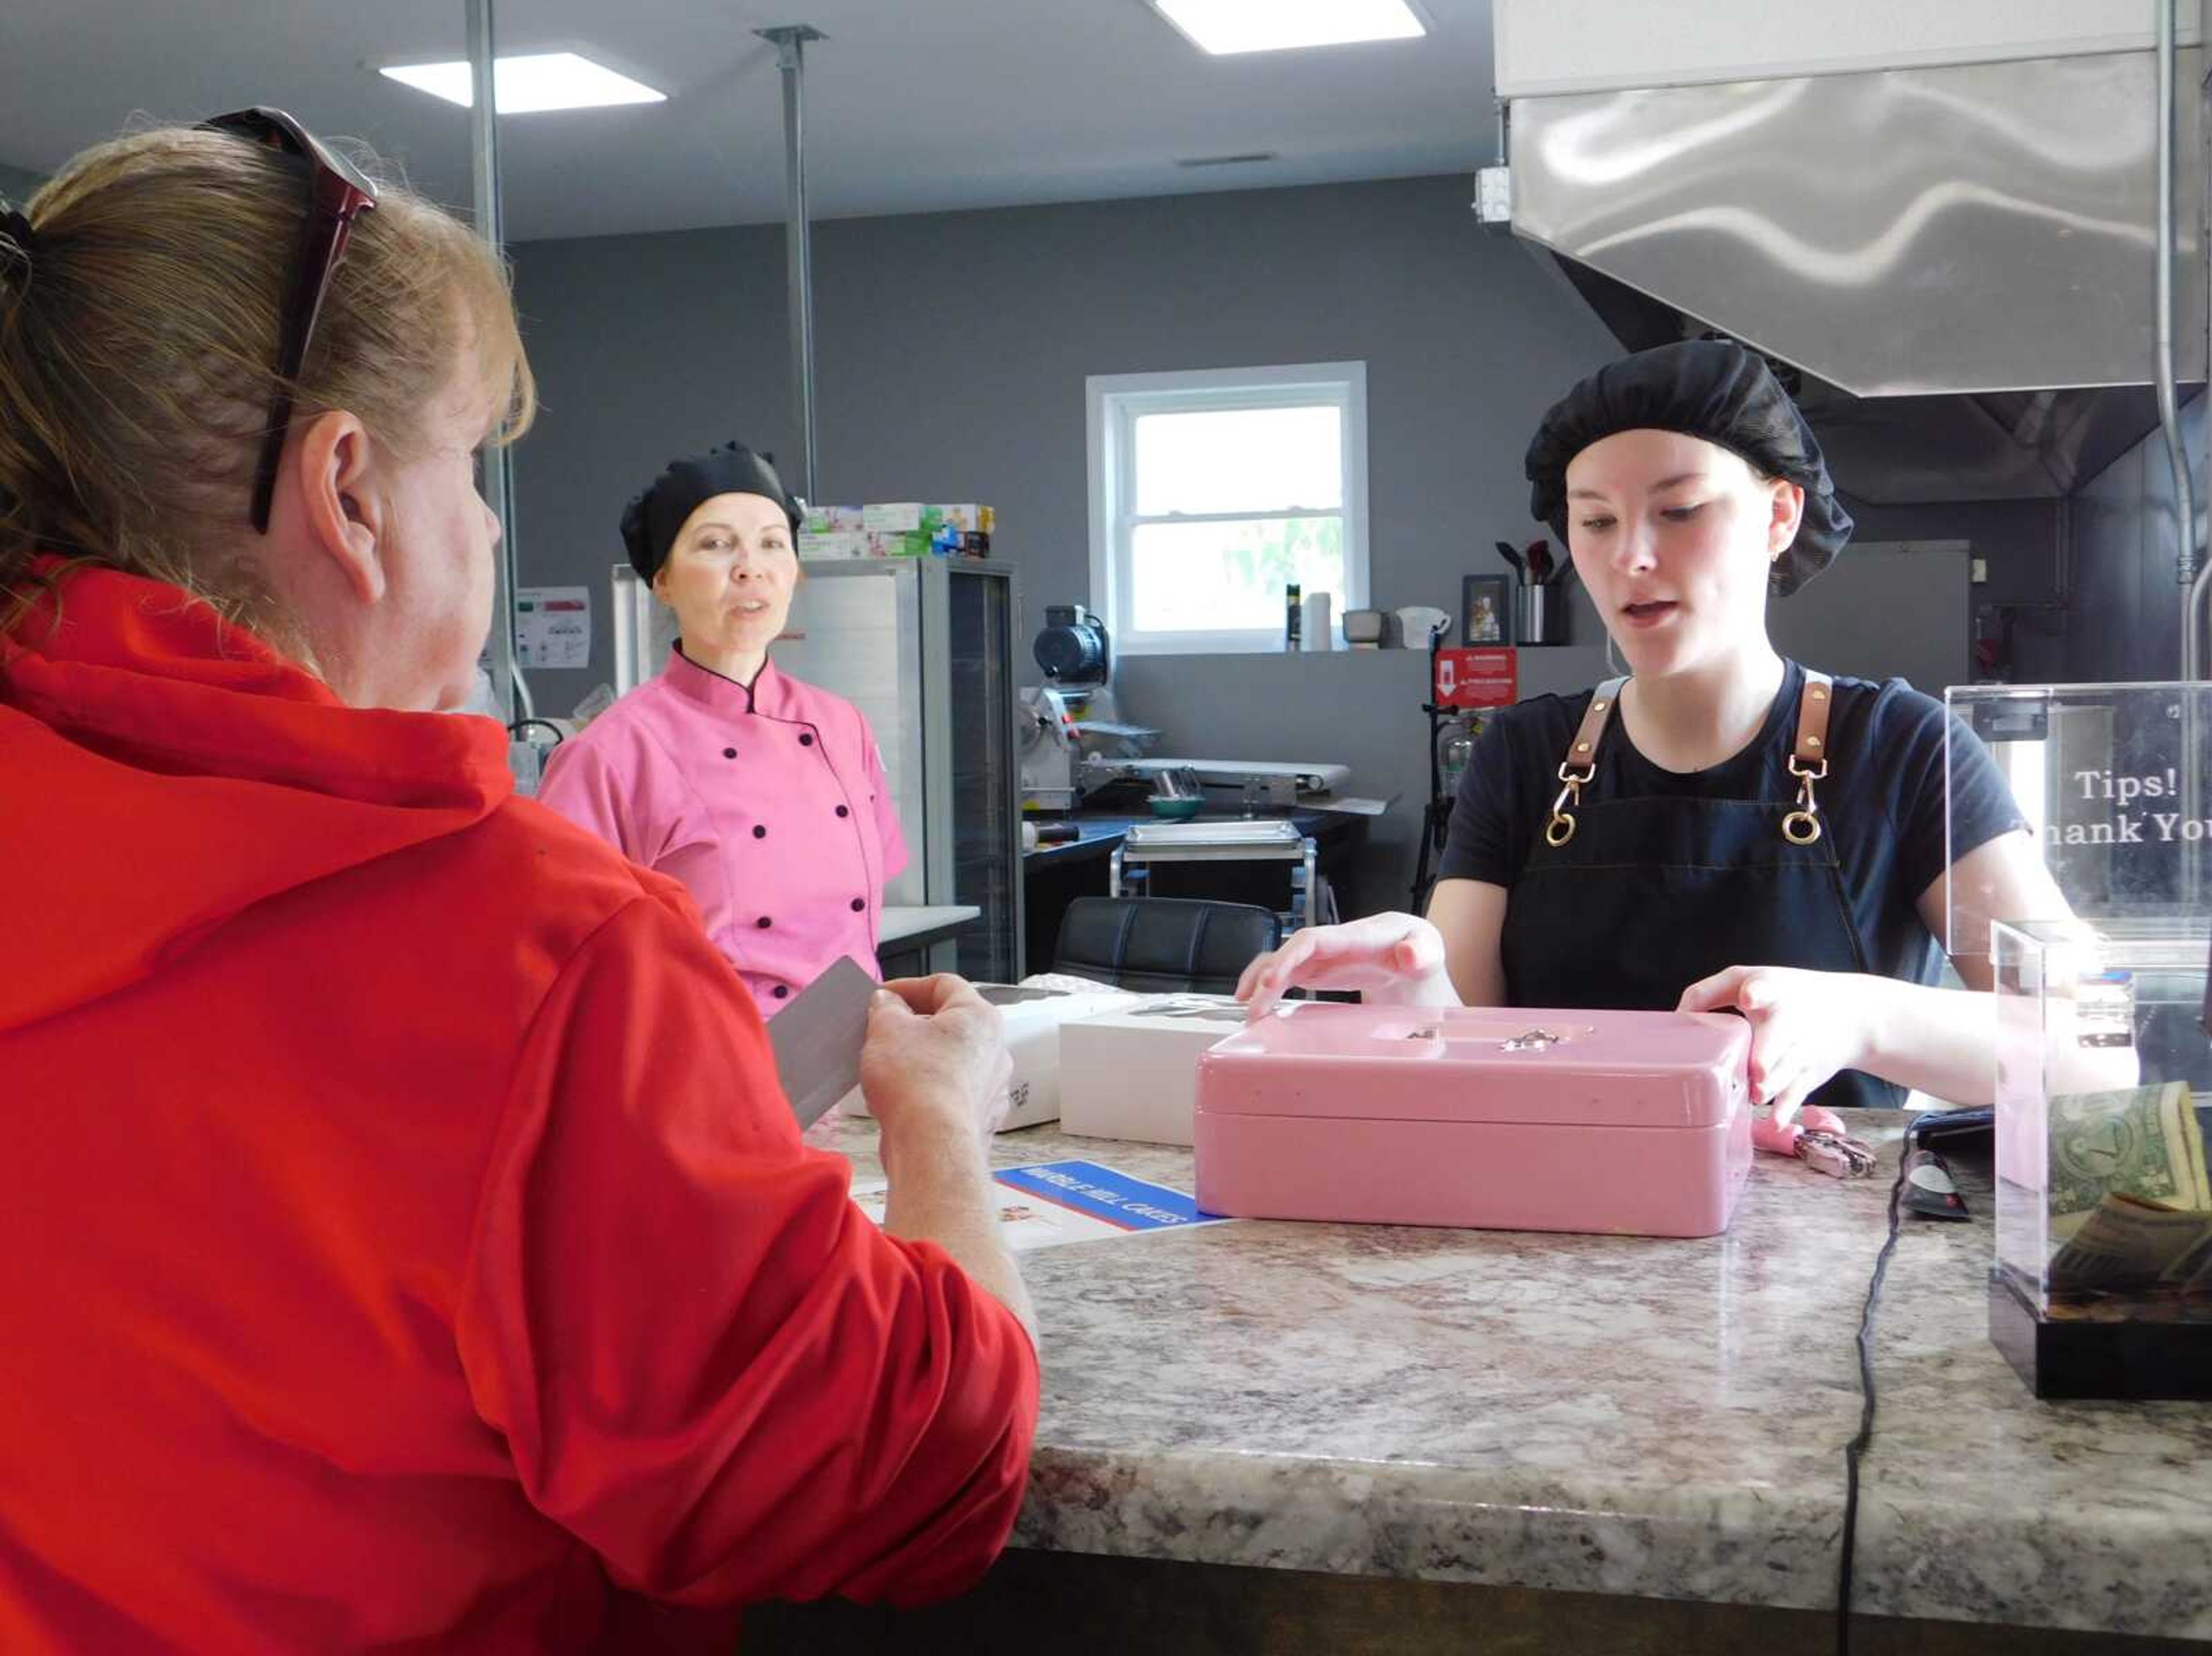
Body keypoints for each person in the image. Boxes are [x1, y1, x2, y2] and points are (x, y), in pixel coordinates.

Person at [0, 115, 1035, 1653]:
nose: (489, 524)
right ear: (349, 493)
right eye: (472, 463)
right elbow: (911, 1463)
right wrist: (940, 1121)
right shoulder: (539, 947)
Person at [1239, 339, 2079, 1119]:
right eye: (1597, 521)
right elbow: (1467, 1049)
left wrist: (1862, 1016)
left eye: (1679, 511)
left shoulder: (1903, 746)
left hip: (1814, 1239)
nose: (1630, 557)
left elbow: (2089, 1052)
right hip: (1556, 1225)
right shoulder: (1525, 756)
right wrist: (1411, 989)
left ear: (1779, 515)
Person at [536, 444, 904, 1017]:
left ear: (794, 573)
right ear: (662, 580)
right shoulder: (609, 756)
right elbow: (557, 959)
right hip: (710, 1075)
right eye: (714, 544)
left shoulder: (842, 726)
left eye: (772, 543)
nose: (749, 567)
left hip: (857, 1063)